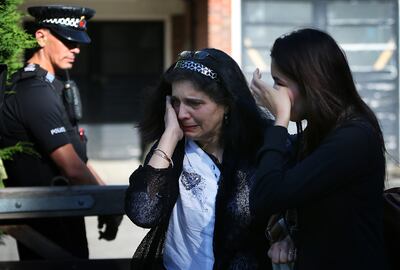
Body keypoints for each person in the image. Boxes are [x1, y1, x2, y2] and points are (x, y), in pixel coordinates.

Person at [249, 28, 388, 270]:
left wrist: (280, 120)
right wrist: (287, 237)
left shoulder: (353, 138)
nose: (274, 92)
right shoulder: (322, 130)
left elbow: (266, 197)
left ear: (310, 82)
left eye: (279, 82)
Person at [125, 48, 274, 269]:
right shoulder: (173, 147)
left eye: (194, 103)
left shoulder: (260, 148)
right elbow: (143, 213)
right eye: (175, 102)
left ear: (227, 104)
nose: (182, 114)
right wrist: (169, 137)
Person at [0, 5, 121, 259]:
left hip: (63, 213)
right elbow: (73, 170)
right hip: (47, 221)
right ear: (41, 37)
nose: (75, 49)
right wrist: (110, 205)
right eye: (67, 40)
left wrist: (105, 194)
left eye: (77, 42)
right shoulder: (34, 92)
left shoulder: (51, 85)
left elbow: (78, 161)